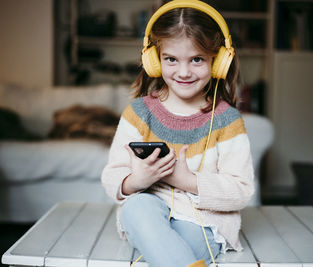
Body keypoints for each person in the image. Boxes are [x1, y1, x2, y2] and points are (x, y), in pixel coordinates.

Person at [101, 1, 254, 266]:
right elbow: (112, 176)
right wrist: (137, 180)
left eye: (197, 59)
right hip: (148, 215)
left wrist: (186, 180)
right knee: (137, 207)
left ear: (218, 61)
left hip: (205, 223)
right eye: (171, 59)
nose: (183, 72)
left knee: (181, 247)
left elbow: (241, 190)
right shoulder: (138, 113)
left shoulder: (227, 120)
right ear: (153, 60)